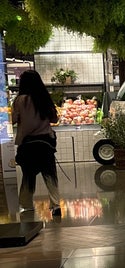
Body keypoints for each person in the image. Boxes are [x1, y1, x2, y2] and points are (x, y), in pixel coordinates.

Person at [12, 70, 61, 216]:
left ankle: (26, 204)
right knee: (50, 175)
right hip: (45, 142)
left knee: (28, 175)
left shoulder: (19, 100)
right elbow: (54, 120)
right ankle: (55, 204)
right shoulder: (44, 98)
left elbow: (13, 120)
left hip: (27, 144)